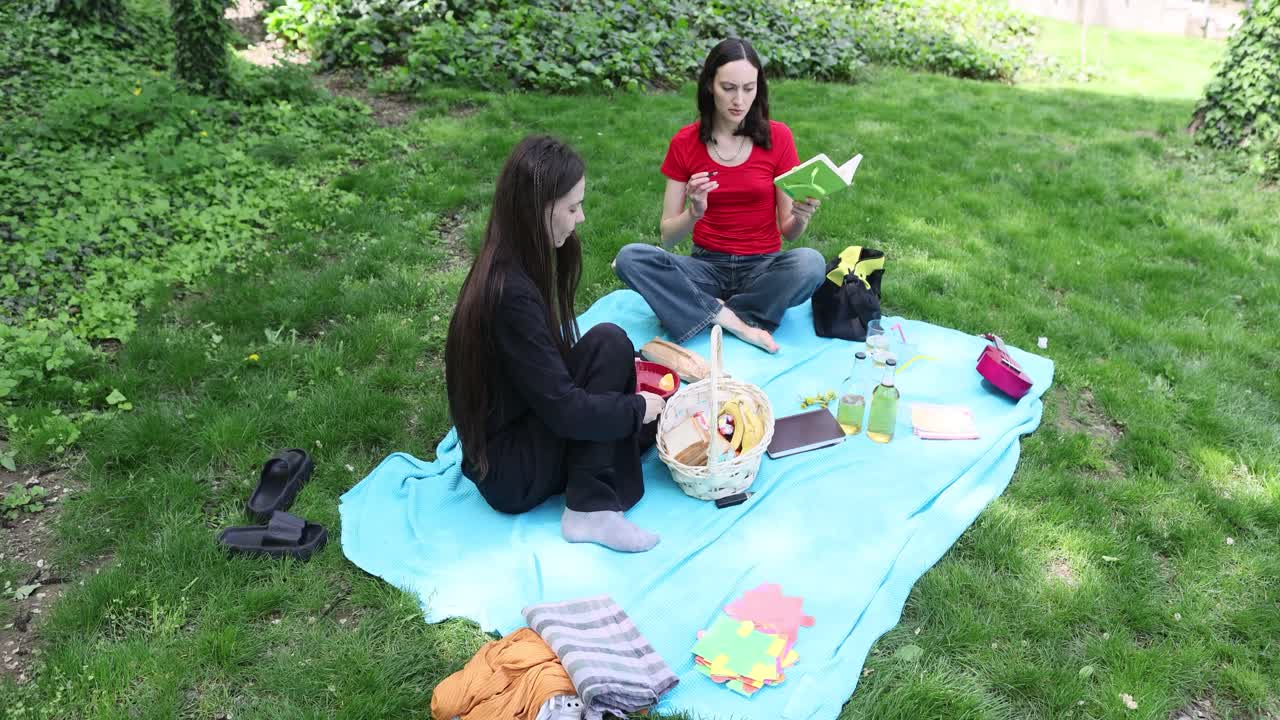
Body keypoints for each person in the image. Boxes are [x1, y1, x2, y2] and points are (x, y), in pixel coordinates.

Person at [444, 136, 667, 553]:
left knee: (610, 345)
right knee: (631, 404)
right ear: (536, 209)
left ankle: (604, 468)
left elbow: (548, 371)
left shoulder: (515, 258)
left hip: (519, 430)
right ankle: (590, 509)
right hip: (509, 474)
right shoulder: (509, 293)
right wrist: (636, 407)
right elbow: (565, 410)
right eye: (571, 207)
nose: (580, 218)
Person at [614, 38, 827, 354]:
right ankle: (741, 323)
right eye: (728, 88)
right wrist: (694, 212)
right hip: (706, 268)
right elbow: (668, 237)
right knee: (629, 259)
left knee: (810, 263)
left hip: (762, 268)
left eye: (749, 88)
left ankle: (709, 312)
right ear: (709, 86)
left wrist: (801, 216)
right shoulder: (684, 143)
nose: (739, 100)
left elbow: (789, 232)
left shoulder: (778, 137)